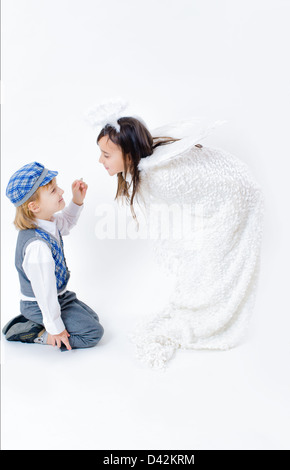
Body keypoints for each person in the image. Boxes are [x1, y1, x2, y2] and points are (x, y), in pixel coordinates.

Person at [94, 104, 265, 369]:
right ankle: (204, 300)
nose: (100, 161)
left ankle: (212, 314)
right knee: (203, 254)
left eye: (106, 154)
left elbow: (196, 195)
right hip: (226, 187)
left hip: (236, 194)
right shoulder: (145, 164)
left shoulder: (156, 177)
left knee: (213, 257)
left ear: (129, 155)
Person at [3, 162, 104, 351]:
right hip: (39, 304)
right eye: (53, 191)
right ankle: (38, 334)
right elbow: (45, 292)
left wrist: (77, 201)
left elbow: (65, 223)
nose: (62, 191)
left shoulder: (47, 222)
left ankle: (39, 322)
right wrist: (55, 329)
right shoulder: (37, 247)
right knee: (92, 333)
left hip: (60, 296)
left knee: (93, 318)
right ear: (34, 206)